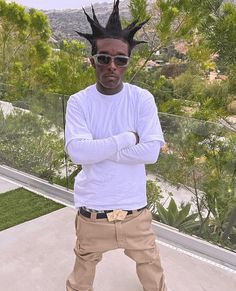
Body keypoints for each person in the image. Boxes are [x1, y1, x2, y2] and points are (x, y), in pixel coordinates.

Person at [65, 1, 167, 290]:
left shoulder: (141, 99)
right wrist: (128, 138)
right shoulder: (79, 102)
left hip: (135, 215)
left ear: (127, 63)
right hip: (92, 215)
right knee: (80, 280)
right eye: (103, 58)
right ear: (92, 60)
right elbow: (78, 152)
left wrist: (99, 150)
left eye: (120, 60)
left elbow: (151, 154)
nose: (112, 66)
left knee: (154, 277)